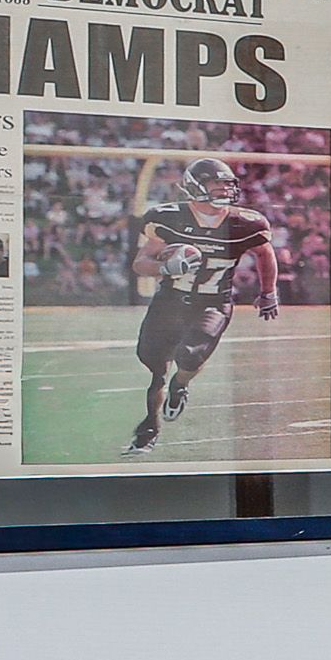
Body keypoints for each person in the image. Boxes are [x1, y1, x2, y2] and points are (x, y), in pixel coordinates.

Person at [124, 158, 281, 455]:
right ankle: (150, 424)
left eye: (228, 183)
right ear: (195, 186)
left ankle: (180, 384)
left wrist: (268, 292)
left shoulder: (247, 222)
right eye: (216, 183)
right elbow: (140, 264)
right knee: (154, 366)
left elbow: (264, 254)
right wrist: (166, 267)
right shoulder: (168, 218)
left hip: (214, 302)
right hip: (170, 300)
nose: (224, 189)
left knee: (190, 355)